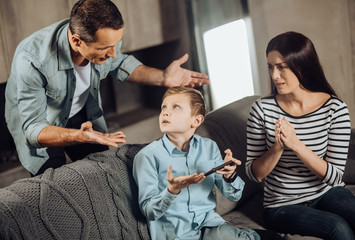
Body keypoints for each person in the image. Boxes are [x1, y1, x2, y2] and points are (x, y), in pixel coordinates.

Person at [5, 0, 209, 176]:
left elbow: (119, 63)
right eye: (104, 49)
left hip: (82, 115)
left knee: (104, 172)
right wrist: (77, 135)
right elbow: (33, 129)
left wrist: (163, 77)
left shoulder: (104, 41)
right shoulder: (32, 60)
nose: (113, 53)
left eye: (117, 44)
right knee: (54, 187)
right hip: (43, 123)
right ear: (76, 41)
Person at [245, 31, 355, 239]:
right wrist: (278, 147)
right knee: (338, 228)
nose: (274, 76)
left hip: (326, 192)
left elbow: (334, 176)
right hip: (280, 205)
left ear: (301, 65)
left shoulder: (335, 108)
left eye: (282, 67)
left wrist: (297, 145)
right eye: (271, 67)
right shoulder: (261, 110)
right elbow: (255, 174)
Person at [132, 87, 260, 240]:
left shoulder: (209, 147)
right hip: (176, 235)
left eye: (176, 107)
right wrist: (172, 190)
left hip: (211, 227)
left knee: (226, 235)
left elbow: (234, 196)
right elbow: (148, 211)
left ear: (196, 120)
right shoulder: (147, 156)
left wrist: (229, 176)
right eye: (164, 107)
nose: (165, 112)